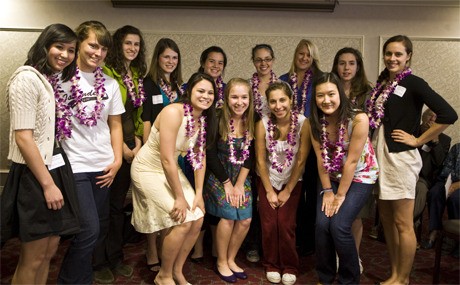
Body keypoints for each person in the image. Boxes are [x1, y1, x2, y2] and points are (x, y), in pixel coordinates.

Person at [367, 35, 457, 285]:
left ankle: (403, 278)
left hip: (400, 159)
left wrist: (418, 140)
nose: (392, 58)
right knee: (386, 221)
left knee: (402, 222)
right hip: (379, 155)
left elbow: (448, 114)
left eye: (398, 54)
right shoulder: (383, 83)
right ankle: (395, 274)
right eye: (388, 53)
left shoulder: (415, 83)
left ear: (408, 57)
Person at [0, 23, 80, 285]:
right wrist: (47, 185)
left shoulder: (47, 80)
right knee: (33, 257)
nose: (65, 55)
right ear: (45, 46)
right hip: (34, 176)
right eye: (59, 47)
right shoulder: (25, 79)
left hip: (53, 167)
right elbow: (24, 138)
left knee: (49, 252)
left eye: (70, 50)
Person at [130, 72, 218, 285]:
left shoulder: (202, 120)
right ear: (190, 91)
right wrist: (179, 196)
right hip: (148, 170)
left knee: (197, 216)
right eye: (201, 91)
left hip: (169, 170)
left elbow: (200, 159)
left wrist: (198, 194)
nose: (205, 96)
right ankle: (164, 275)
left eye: (210, 93)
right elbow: (167, 158)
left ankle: (178, 271)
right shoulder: (173, 112)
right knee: (181, 221)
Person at [57, 21, 125, 285]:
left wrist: (117, 160)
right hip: (74, 165)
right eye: (93, 45)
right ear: (79, 43)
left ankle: (81, 278)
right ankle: (68, 280)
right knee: (88, 230)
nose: (98, 52)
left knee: (96, 231)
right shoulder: (60, 79)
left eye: (104, 48)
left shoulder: (109, 84)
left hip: (104, 165)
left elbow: (115, 124)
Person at [310, 72, 379, 284]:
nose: (326, 100)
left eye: (331, 94)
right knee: (322, 225)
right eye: (320, 95)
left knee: (339, 225)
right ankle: (325, 276)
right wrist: (328, 192)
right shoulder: (314, 122)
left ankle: (349, 279)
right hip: (331, 176)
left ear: (340, 94)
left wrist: (340, 196)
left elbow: (351, 162)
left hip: (360, 175)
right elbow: (322, 161)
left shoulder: (358, 119)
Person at [92, 25, 148, 283]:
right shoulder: (104, 72)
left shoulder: (136, 74)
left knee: (117, 207)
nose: (133, 48)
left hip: (129, 148)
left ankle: (114, 257)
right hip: (108, 150)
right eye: (128, 43)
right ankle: (97, 261)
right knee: (101, 209)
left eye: (136, 44)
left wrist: (136, 141)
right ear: (118, 45)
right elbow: (102, 116)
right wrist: (122, 149)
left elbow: (136, 114)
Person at [255, 81, 311, 285]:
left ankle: (289, 265)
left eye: (282, 100)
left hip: (293, 181)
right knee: (269, 224)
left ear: (290, 100)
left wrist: (288, 190)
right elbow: (260, 160)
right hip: (268, 180)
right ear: (268, 104)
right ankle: (271, 263)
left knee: (286, 224)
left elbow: (301, 159)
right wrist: (269, 190)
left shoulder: (304, 123)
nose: (278, 106)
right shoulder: (262, 124)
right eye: (273, 101)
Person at [203, 78, 254, 283]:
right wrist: (227, 183)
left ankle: (232, 259)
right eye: (234, 97)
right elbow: (211, 154)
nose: (239, 102)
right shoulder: (216, 118)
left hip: (241, 173)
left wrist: (240, 183)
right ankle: (221, 261)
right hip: (219, 174)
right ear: (226, 98)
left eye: (244, 97)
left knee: (245, 219)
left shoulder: (253, 119)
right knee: (228, 215)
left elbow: (251, 155)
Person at [140, 37, 183, 272]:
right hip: (156, 154)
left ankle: (166, 247)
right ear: (158, 58)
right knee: (153, 206)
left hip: (176, 154)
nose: (170, 61)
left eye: (174, 57)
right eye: (166, 56)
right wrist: (150, 151)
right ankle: (151, 250)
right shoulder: (149, 84)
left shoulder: (179, 87)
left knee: (170, 206)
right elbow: (146, 120)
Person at [331, 47, 373, 273]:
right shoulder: (328, 89)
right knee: (333, 215)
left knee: (354, 215)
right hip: (332, 163)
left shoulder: (367, 93)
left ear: (358, 67)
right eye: (342, 63)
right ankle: (337, 257)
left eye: (351, 63)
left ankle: (352, 256)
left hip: (359, 163)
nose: (346, 68)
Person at [280, 39, 322, 256]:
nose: (305, 58)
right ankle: (291, 236)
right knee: (293, 189)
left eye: (309, 54)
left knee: (312, 191)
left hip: (314, 142)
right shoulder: (284, 80)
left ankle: (310, 239)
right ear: (295, 55)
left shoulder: (321, 80)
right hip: (288, 145)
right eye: (301, 53)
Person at [190, 45, 228, 262]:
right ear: (203, 62)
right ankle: (196, 248)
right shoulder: (194, 85)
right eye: (212, 61)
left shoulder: (225, 90)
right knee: (197, 198)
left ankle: (214, 246)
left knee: (213, 200)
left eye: (220, 62)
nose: (216, 66)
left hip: (216, 153)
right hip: (192, 153)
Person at [414, 109, 451, 246]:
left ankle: (407, 223)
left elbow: (441, 162)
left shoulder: (444, 140)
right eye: (430, 115)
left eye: (436, 117)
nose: (432, 119)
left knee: (420, 189)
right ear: (423, 117)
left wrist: (435, 142)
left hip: (424, 178)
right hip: (407, 172)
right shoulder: (414, 131)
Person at [422, 143, 459, 255]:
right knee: (435, 193)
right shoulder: (456, 148)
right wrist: (451, 181)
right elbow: (446, 170)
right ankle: (434, 231)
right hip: (448, 181)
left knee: (456, 199)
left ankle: (457, 238)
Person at [249, 44, 278, 119]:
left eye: (267, 59)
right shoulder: (246, 86)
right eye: (258, 60)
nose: (263, 63)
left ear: (273, 60)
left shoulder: (282, 85)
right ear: (253, 62)